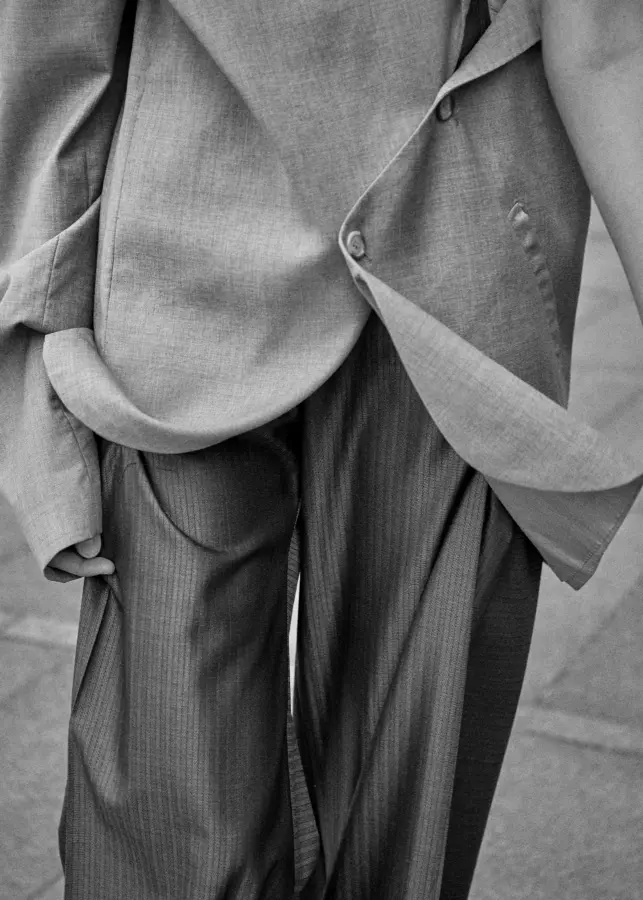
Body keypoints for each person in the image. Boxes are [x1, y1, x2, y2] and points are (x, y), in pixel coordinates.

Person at [1, 0, 642, 897]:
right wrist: (39, 377)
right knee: (167, 832)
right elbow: (50, 43)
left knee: (406, 836)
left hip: (462, 265)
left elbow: (605, 42)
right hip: (180, 288)